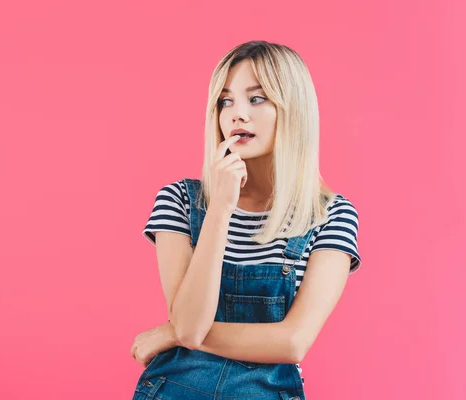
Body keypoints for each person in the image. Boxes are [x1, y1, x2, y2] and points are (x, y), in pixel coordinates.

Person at [129, 40, 361, 400]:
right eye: (225, 101)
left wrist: (171, 334)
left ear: (293, 108)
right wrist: (221, 207)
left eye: (256, 98)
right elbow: (190, 323)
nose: (237, 114)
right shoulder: (179, 200)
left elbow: (293, 342)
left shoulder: (331, 215)